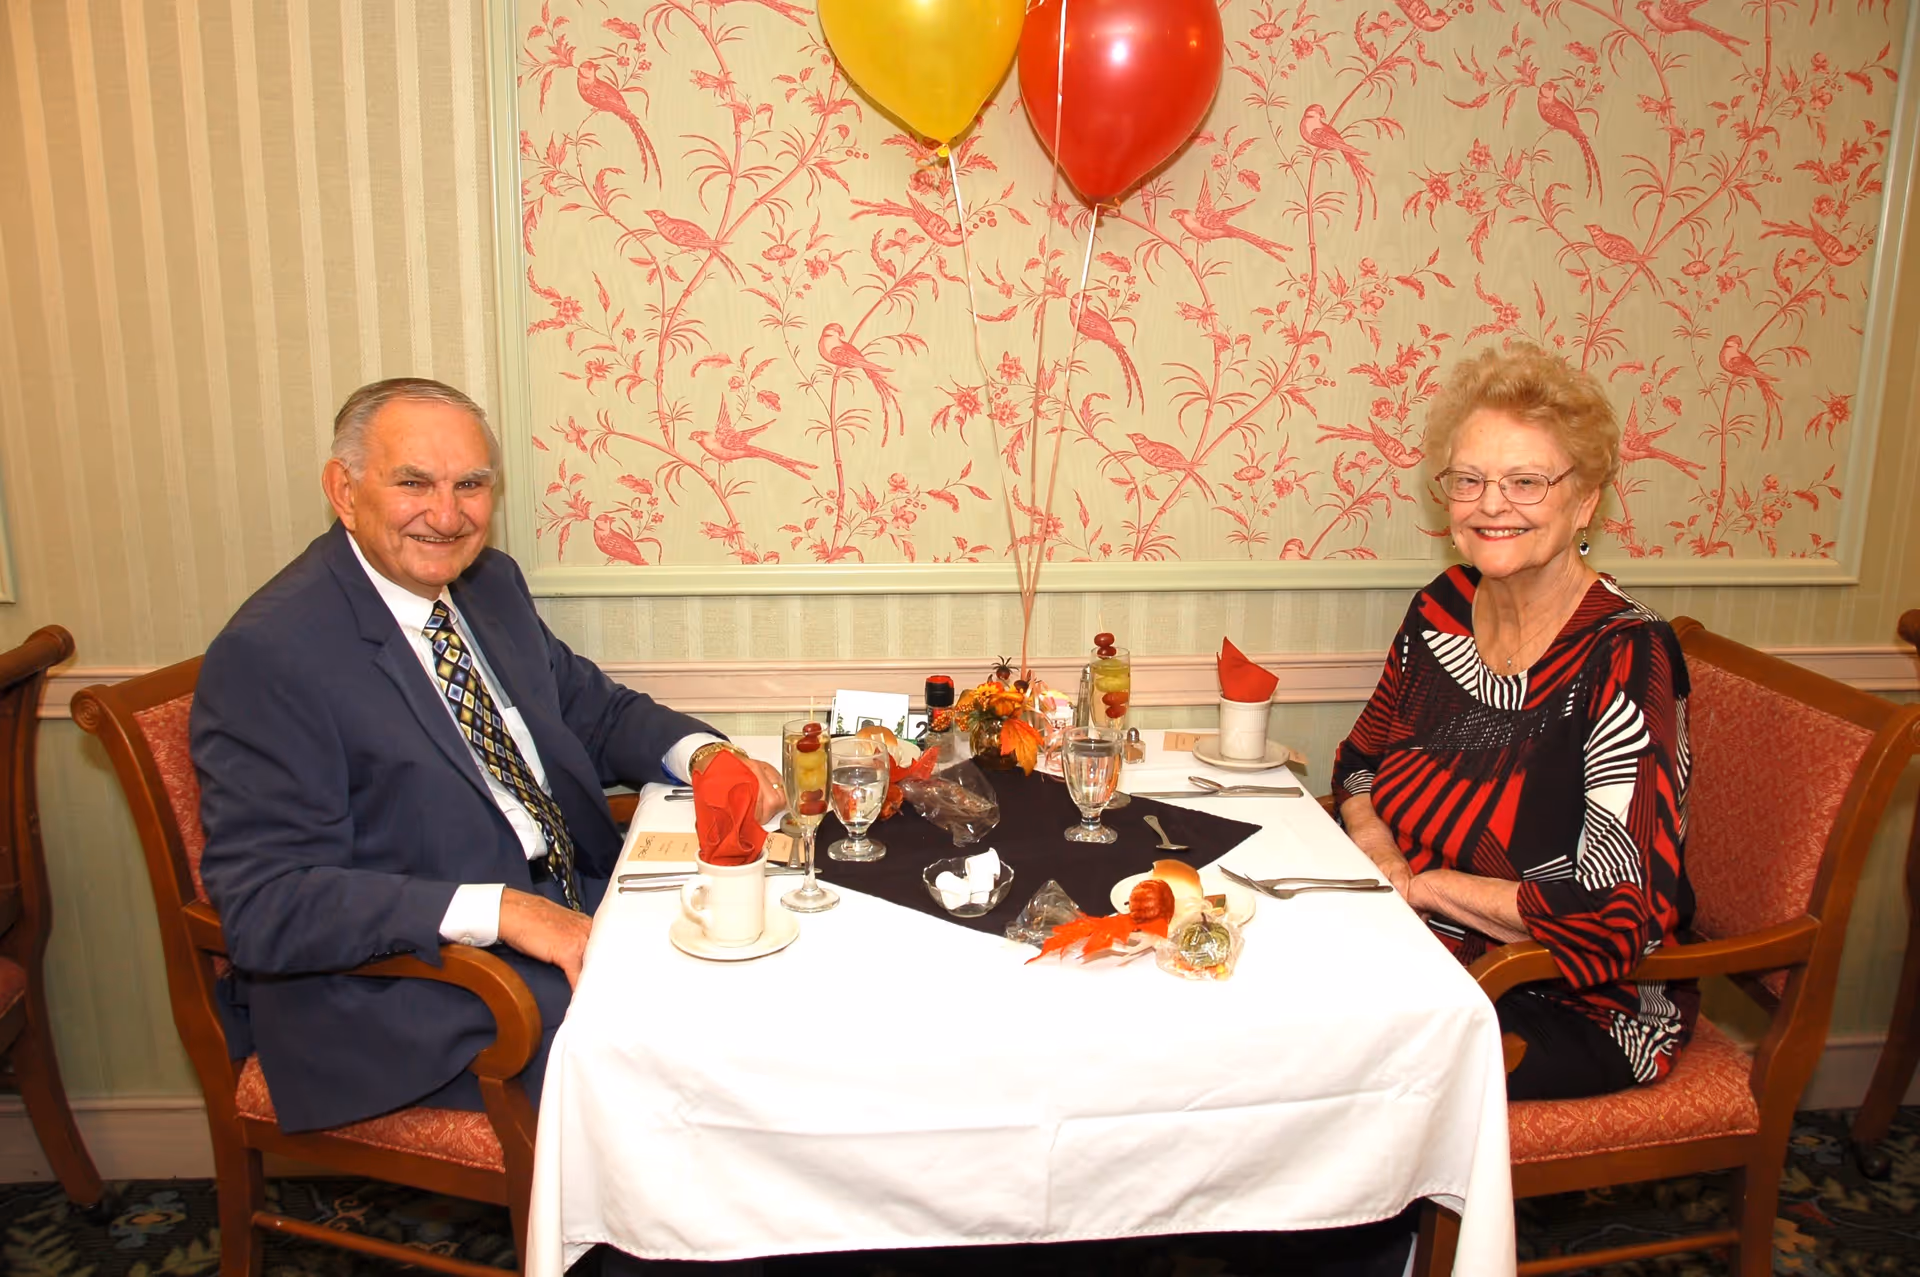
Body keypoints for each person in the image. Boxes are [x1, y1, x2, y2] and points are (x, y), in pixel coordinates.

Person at [190, 378, 783, 1133]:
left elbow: (594, 711)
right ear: (344, 489)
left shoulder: (487, 584)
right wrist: (505, 910)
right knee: (695, 1064)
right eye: (414, 483)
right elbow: (267, 903)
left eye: (469, 485)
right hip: (416, 988)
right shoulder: (272, 652)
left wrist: (704, 756)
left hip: (568, 900)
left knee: (764, 966)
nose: (447, 516)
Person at [1332, 343, 1694, 1101]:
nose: (1491, 505)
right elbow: (1359, 766)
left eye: (1526, 481)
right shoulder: (1440, 610)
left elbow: (1617, 917)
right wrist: (1383, 858)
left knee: (1323, 1067)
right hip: (1415, 949)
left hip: (1565, 998)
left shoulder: (1625, 653)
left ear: (1585, 500)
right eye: (1469, 480)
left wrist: (1428, 889)